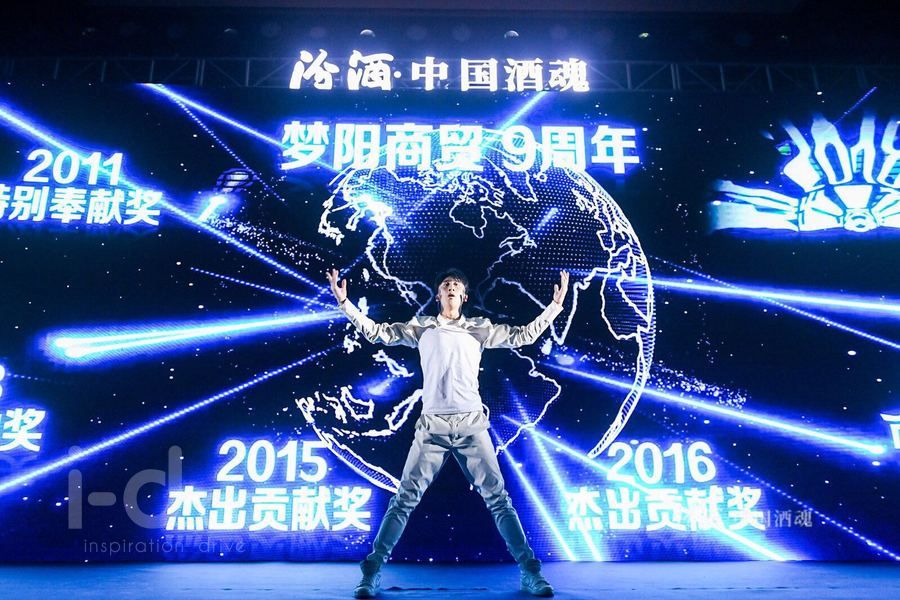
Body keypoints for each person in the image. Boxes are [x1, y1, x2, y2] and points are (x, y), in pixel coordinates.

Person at [326, 267, 569, 598]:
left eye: (456, 284)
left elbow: (522, 336)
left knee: (498, 500)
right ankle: (371, 572)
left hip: (472, 426)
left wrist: (555, 306)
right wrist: (345, 303)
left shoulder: (478, 329)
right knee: (404, 500)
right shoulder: (421, 327)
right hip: (432, 428)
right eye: (446, 284)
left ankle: (531, 572)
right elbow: (378, 333)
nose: (451, 286)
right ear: (439, 295)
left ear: (463, 296)